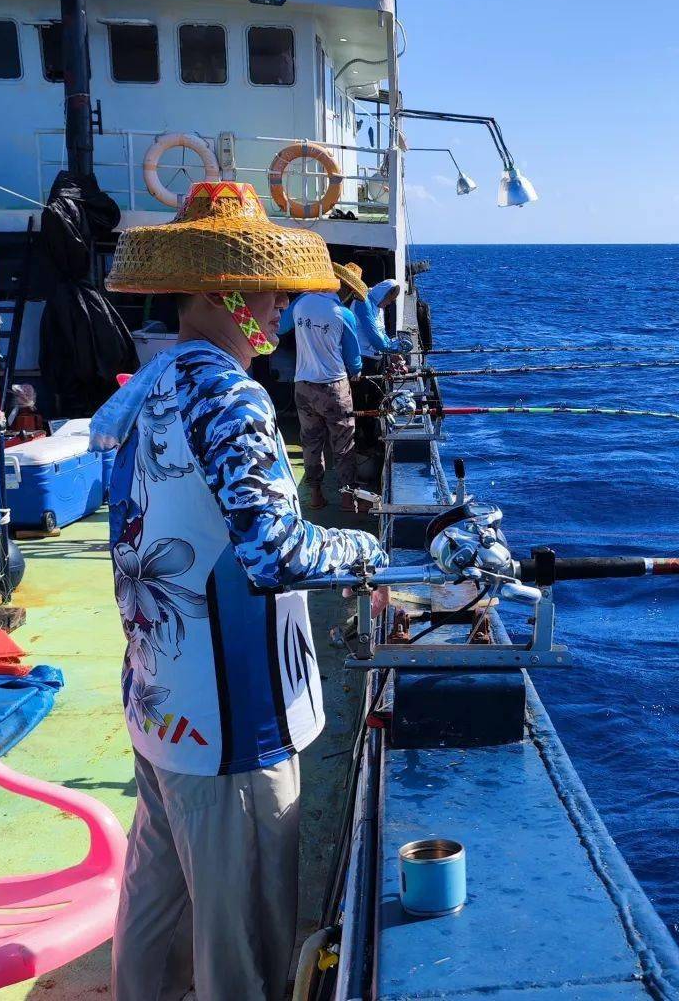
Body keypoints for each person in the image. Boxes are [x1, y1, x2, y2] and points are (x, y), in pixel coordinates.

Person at [89, 182, 387, 1001]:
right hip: (231, 728)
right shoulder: (229, 395)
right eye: (268, 291)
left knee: (157, 922)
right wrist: (365, 549)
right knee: (243, 952)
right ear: (227, 293)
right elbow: (274, 551)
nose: (280, 308)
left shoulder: (152, 384)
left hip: (158, 704)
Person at [293, 261, 367, 512]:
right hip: (334, 387)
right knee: (343, 444)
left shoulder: (301, 303)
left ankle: (315, 494)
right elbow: (353, 358)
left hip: (303, 386)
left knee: (311, 442)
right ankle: (348, 498)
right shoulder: (343, 314)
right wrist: (356, 372)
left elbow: (281, 327)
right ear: (346, 289)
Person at [349, 279, 412, 454]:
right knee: (361, 401)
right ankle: (361, 441)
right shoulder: (363, 303)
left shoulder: (378, 307)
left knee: (377, 399)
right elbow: (374, 337)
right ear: (382, 294)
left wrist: (394, 354)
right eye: (389, 299)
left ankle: (372, 437)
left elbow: (382, 332)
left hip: (376, 358)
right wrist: (395, 348)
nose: (389, 303)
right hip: (362, 359)